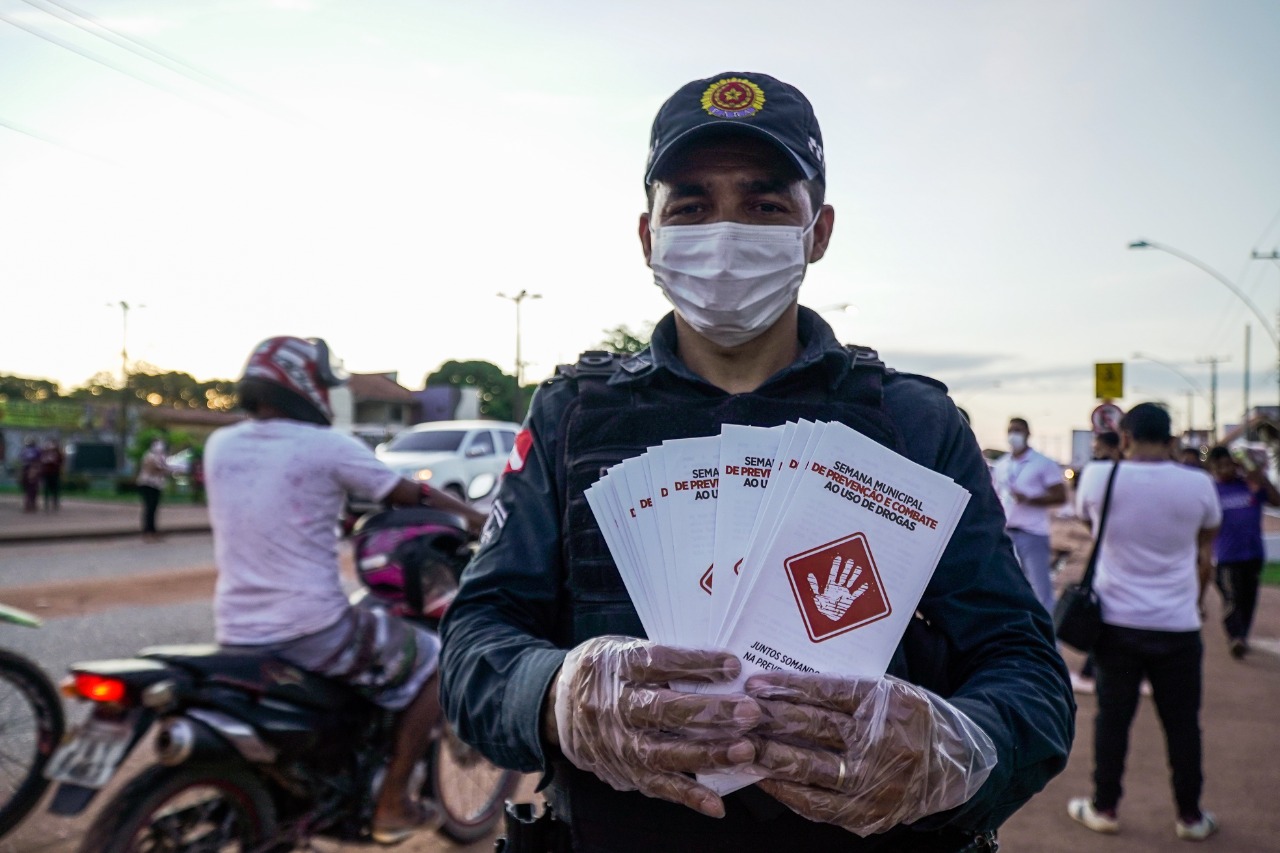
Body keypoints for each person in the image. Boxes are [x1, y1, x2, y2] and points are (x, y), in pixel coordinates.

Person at [439, 72, 1073, 852]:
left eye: (766, 204)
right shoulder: (572, 416)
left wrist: (960, 749)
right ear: (649, 236)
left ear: (819, 230)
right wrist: (555, 694)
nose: (726, 234)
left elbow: (1026, 669)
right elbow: (476, 641)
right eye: (693, 206)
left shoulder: (913, 424)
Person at [204, 336, 487, 844]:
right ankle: (393, 802)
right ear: (302, 383)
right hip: (312, 626)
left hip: (235, 629)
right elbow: (410, 491)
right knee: (436, 659)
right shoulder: (326, 447)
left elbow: (278, 509)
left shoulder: (221, 444)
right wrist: (475, 517)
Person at [1068, 403, 1221, 842]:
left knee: (1112, 720)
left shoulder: (1100, 477)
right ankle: (1190, 817)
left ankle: (1104, 807)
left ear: (1126, 438)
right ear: (1172, 440)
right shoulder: (1199, 483)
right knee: (1183, 725)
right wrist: (1194, 602)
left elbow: (1089, 524)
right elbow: (1204, 555)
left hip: (1116, 623)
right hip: (1178, 623)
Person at [1206, 445, 1280, 659]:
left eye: (1228, 464)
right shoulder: (1213, 490)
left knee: (1248, 598)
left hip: (1253, 553)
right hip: (1226, 555)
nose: (1224, 469)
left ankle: (1242, 636)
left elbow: (1276, 501)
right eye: (1218, 466)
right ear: (1213, 468)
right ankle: (1235, 636)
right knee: (1232, 597)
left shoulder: (1249, 485)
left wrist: (1259, 476)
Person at [992, 417, 1067, 613]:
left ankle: (1050, 639)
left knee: (1041, 590)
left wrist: (1031, 500)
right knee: (1009, 589)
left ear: (1027, 433)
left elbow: (1061, 496)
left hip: (1033, 533)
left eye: (1018, 430)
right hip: (1007, 533)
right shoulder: (1002, 464)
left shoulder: (1042, 463)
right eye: (1010, 430)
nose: (1013, 435)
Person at [1069, 430, 1122, 695]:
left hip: (1107, 552)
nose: (1095, 451)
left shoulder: (1098, 473)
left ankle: (1091, 669)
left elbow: (1084, 514)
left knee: (1100, 607)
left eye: (1099, 447)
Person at [136, 438, 172, 541]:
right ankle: (147, 532)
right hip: (147, 484)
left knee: (154, 509)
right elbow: (153, 469)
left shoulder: (162, 457)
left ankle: (153, 531)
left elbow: (163, 469)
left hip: (157, 485)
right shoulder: (149, 456)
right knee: (149, 509)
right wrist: (165, 469)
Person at [39, 438, 64, 512]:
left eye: (52, 444)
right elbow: (41, 461)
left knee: (55, 489)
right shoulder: (44, 452)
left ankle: (55, 502)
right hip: (46, 473)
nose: (50, 446)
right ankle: (46, 503)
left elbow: (61, 461)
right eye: (49, 444)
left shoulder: (58, 453)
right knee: (46, 489)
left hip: (55, 473)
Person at [18, 437, 41, 513]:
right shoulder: (26, 451)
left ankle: (30, 504)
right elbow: (22, 460)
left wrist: (35, 470)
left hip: (32, 469)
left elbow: (38, 461)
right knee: (30, 488)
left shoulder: (35, 451)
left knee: (31, 488)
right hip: (28, 469)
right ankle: (29, 504)